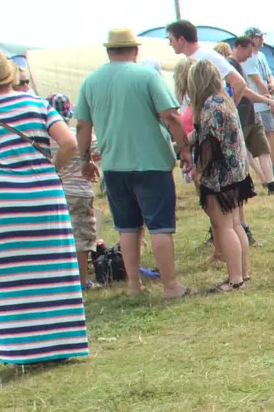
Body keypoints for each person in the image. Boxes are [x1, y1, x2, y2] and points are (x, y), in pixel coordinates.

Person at [73, 28, 192, 299]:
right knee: (160, 227)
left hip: (114, 165)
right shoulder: (147, 75)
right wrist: (183, 149)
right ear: (135, 50)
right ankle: (170, 287)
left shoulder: (91, 81)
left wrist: (85, 159)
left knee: (127, 228)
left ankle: (133, 287)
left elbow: (82, 124)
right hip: (151, 164)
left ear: (108, 51)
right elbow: (171, 117)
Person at [0, 47, 89, 365]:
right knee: (54, 268)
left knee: (13, 276)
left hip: (0, 199)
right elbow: (70, 143)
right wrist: (52, 167)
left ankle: (22, 350)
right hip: (44, 193)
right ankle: (62, 343)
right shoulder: (36, 103)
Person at [181, 59, 253, 293]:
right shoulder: (225, 100)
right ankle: (243, 272)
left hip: (221, 177)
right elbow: (206, 135)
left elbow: (210, 143)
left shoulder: (211, 106)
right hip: (236, 172)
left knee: (225, 228)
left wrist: (198, 170)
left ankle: (234, 280)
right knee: (234, 224)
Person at [45, 94, 96, 288]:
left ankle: (58, 279)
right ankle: (82, 281)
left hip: (54, 191)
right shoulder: (76, 136)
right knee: (82, 236)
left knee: (56, 236)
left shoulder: (43, 138)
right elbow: (96, 149)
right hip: (79, 191)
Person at [229, 37, 274, 193]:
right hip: (240, 116)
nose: (250, 56)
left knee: (262, 148)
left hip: (251, 113)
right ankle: (246, 185)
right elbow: (244, 90)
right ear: (238, 47)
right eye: (249, 52)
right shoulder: (229, 67)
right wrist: (267, 101)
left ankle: (271, 184)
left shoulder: (240, 65)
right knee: (241, 152)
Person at [242, 27, 274, 183]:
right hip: (259, 105)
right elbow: (256, 80)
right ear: (251, 39)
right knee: (270, 136)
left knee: (273, 136)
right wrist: (269, 98)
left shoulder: (261, 55)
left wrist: (272, 85)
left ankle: (272, 169)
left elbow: (268, 75)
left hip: (267, 100)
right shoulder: (248, 59)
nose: (262, 40)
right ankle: (270, 171)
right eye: (259, 38)